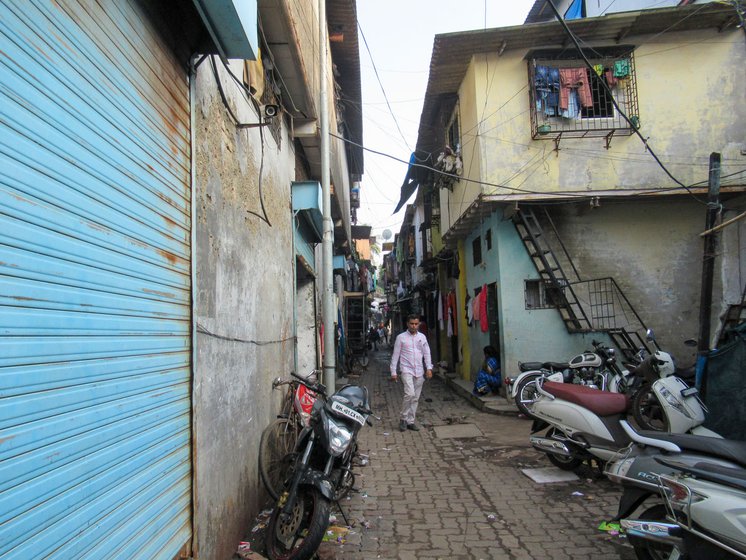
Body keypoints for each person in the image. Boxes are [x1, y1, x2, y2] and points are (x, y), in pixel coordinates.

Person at [390, 314, 433, 432]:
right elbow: (395, 355)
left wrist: (429, 368)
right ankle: (403, 418)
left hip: (419, 370)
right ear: (407, 324)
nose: (414, 326)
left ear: (418, 324)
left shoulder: (422, 337)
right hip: (406, 369)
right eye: (412, 324)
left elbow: (427, 353)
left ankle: (410, 421)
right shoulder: (401, 337)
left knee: (415, 397)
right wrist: (393, 371)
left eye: (416, 324)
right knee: (409, 393)